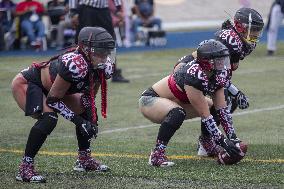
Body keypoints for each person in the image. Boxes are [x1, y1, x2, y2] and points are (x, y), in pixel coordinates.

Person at [11, 27, 115, 183]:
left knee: (86, 105)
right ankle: (25, 167)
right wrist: (80, 122)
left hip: (54, 91)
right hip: (30, 83)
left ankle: (84, 159)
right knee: (49, 118)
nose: (104, 57)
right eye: (99, 51)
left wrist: (91, 120)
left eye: (106, 51)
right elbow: (53, 100)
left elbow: (90, 97)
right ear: (86, 49)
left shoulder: (102, 66)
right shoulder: (75, 64)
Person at [174, 8, 264, 157]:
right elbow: (219, 75)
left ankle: (210, 139)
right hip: (189, 70)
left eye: (257, 29)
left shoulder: (238, 39)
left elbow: (221, 74)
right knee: (225, 100)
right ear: (240, 27)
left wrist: (235, 91)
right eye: (253, 29)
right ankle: (206, 143)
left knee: (229, 99)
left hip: (203, 71)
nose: (255, 33)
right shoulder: (232, 41)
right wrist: (236, 91)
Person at [139, 39, 241, 167]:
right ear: (206, 62)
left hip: (177, 101)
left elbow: (222, 110)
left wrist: (233, 138)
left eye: (223, 59)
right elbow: (206, 116)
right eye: (218, 59)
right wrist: (223, 141)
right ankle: (157, 154)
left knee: (215, 107)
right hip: (150, 100)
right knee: (177, 113)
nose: (223, 63)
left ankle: (207, 144)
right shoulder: (194, 75)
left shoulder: (218, 73)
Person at [74, 0, 129, 83]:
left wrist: (118, 9)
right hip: (86, 8)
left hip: (104, 9)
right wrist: (73, 12)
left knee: (110, 41)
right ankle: (78, 71)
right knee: (83, 41)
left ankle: (113, 71)